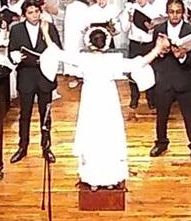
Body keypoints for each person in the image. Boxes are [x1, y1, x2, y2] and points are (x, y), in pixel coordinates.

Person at [63, 27, 165, 189]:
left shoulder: (83, 59)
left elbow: (59, 54)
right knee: (109, 134)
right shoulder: (113, 60)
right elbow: (138, 63)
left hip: (91, 100)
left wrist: (46, 34)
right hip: (108, 99)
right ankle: (110, 179)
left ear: (89, 43)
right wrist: (157, 48)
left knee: (92, 135)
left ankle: (93, 179)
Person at [8, 0, 62, 163]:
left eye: (36, 11)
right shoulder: (16, 29)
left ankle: (46, 147)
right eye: (30, 12)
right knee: (25, 114)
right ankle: (22, 147)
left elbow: (58, 49)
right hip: (26, 75)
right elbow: (11, 50)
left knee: (45, 114)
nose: (34, 15)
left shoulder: (49, 27)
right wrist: (16, 57)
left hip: (44, 75)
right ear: (24, 14)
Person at [150, 0, 191, 161]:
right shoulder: (159, 29)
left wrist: (183, 56)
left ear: (183, 13)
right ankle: (161, 142)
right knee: (162, 114)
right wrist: (161, 52)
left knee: (190, 115)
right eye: (171, 12)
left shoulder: (190, 30)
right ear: (167, 13)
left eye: (178, 12)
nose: (174, 15)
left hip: (184, 79)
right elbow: (153, 53)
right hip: (164, 78)